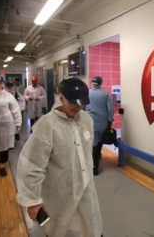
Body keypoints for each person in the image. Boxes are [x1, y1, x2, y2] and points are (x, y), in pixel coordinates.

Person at [16, 77, 103, 237]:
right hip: (59, 193)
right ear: (60, 97)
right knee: (59, 229)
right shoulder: (47, 125)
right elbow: (31, 164)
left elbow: (86, 155)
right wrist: (33, 200)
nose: (77, 107)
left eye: (81, 103)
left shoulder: (86, 120)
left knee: (91, 227)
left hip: (85, 187)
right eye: (72, 102)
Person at [85, 76, 114, 176]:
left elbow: (83, 108)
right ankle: (98, 157)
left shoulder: (87, 93)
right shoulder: (105, 94)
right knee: (100, 141)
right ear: (101, 83)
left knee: (93, 143)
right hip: (102, 123)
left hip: (90, 123)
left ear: (92, 83)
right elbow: (110, 110)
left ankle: (94, 168)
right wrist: (110, 121)